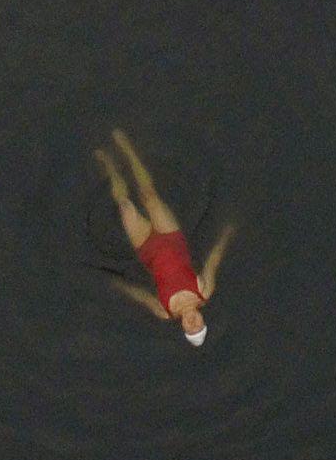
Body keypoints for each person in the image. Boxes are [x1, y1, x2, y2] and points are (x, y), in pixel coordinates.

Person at [94, 128, 232, 346]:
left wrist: (117, 284)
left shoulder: (164, 311)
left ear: (184, 328)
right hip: (171, 238)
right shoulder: (204, 291)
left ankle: (109, 165)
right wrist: (227, 233)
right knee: (149, 195)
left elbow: (141, 296)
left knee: (124, 206)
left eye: (190, 328)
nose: (193, 323)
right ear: (203, 320)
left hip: (146, 250)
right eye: (198, 326)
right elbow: (213, 260)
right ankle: (127, 148)